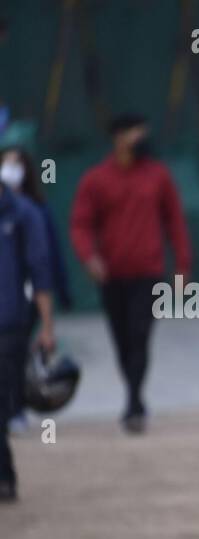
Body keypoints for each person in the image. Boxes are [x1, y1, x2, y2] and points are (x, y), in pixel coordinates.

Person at [69, 113, 191, 433]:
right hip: (112, 276)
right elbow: (81, 224)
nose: (141, 139)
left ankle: (134, 403)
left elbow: (175, 222)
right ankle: (134, 395)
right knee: (122, 339)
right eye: (135, 133)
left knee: (139, 335)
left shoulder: (158, 176)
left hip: (148, 273)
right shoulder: (96, 179)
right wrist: (89, 258)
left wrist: (182, 266)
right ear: (118, 137)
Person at [1, 147, 72, 433]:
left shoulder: (31, 211)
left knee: (12, 360)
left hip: (19, 305)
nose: (9, 169)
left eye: (16, 164)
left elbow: (46, 262)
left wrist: (49, 321)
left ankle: (14, 408)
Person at [0, 155, 55, 501]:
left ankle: (5, 476)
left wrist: (47, 326)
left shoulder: (23, 213)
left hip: (11, 324)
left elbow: (40, 271)